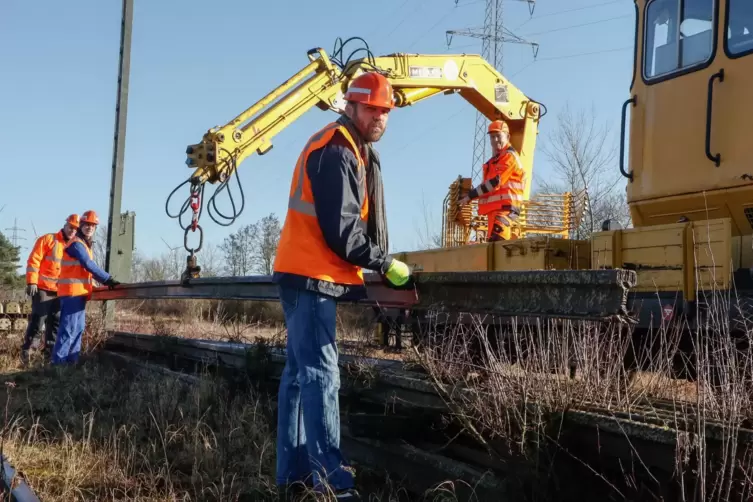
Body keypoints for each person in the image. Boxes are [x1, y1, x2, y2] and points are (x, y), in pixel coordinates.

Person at [271, 71, 411, 500]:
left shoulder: (344, 146)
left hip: (302, 273)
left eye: (385, 111)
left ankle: (292, 478)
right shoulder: (337, 150)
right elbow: (343, 232)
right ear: (350, 106)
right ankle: (333, 484)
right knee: (320, 377)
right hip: (312, 277)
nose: (379, 117)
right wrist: (385, 263)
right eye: (371, 109)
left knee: (298, 377)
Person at [52, 210, 119, 365]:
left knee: (78, 330)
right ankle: (58, 366)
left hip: (79, 293)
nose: (90, 228)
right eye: (87, 225)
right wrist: (107, 279)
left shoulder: (85, 245)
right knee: (68, 330)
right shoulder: (76, 244)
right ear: (81, 225)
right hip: (71, 293)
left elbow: (84, 270)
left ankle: (72, 363)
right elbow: (87, 264)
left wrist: (94, 282)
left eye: (93, 225)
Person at [21, 214, 80, 364]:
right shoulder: (48, 239)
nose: (72, 231)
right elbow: (34, 260)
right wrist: (32, 282)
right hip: (43, 289)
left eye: (75, 229)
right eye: (71, 227)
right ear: (65, 225)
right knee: (38, 320)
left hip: (61, 292)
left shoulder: (75, 246)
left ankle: (48, 355)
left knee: (55, 323)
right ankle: (27, 353)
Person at [459, 119, 525, 242]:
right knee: (492, 249)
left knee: (497, 248)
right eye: (492, 137)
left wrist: (470, 196)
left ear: (508, 136)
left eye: (498, 136)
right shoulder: (495, 160)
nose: (495, 140)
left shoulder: (509, 158)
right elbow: (488, 187)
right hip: (495, 212)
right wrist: (470, 196)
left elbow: (494, 183)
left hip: (506, 211)